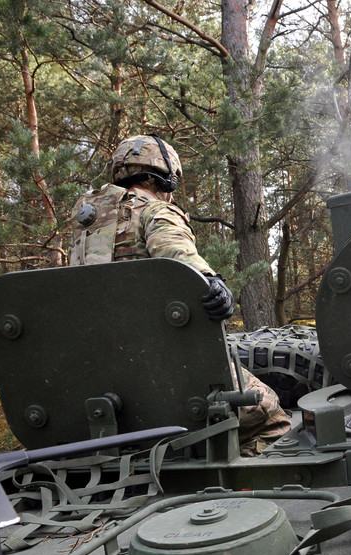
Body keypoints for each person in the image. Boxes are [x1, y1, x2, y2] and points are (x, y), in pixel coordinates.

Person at [68, 133, 291, 455]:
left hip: (97, 374)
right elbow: (179, 259)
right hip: (162, 364)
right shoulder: (153, 211)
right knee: (269, 416)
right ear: (166, 178)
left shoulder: (83, 227)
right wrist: (211, 282)